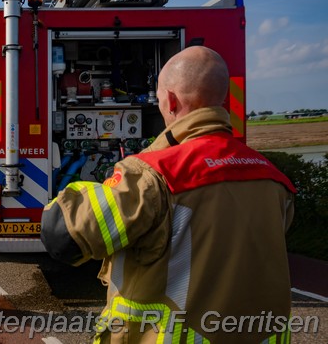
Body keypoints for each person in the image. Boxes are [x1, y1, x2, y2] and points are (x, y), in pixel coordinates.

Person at [40, 46, 296, 343]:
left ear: (171, 101)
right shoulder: (273, 178)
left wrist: (143, 161)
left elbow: (61, 235)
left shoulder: (150, 176)